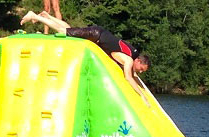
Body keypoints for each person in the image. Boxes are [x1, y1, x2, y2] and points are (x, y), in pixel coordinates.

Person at [21, 11, 151, 105]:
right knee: (64, 32)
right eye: (141, 68)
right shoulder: (128, 60)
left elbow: (133, 76)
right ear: (138, 61)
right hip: (95, 35)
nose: (140, 71)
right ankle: (34, 16)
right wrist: (141, 95)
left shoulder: (131, 55)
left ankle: (48, 16)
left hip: (98, 34)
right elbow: (128, 77)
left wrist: (144, 90)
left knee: (69, 29)